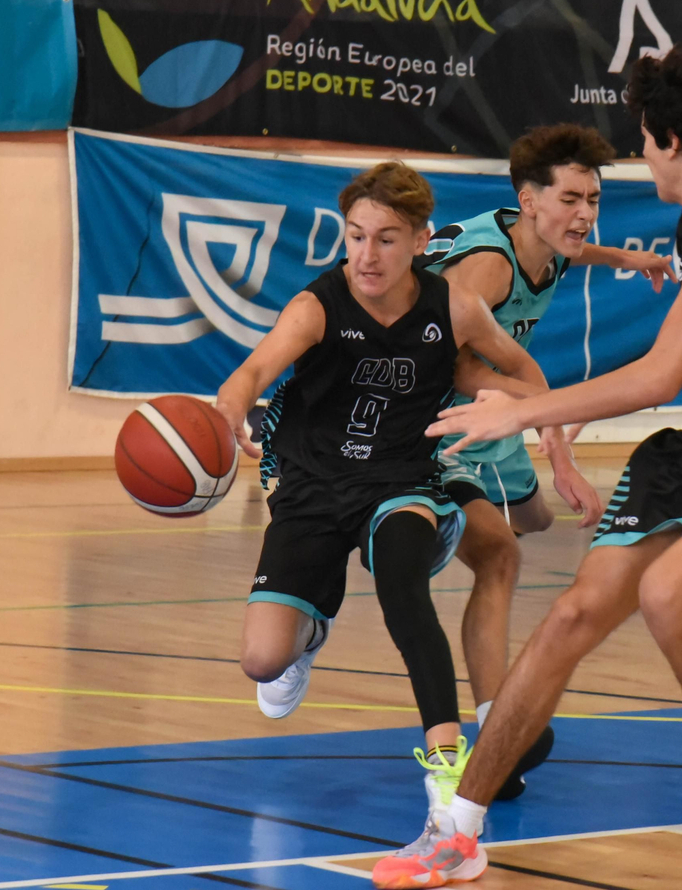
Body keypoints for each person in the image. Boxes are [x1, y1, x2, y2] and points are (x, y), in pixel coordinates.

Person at [371, 46, 682, 888]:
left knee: (666, 592)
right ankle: (459, 830)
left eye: (645, 136)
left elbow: (657, 375)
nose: (640, 152)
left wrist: (524, 411)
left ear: (671, 141)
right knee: (574, 615)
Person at [212, 162, 553, 841]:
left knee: (403, 582)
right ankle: (311, 627)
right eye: (356, 236)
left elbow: (527, 374)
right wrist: (228, 415)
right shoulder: (317, 306)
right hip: (309, 483)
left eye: (387, 239)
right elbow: (251, 372)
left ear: (422, 240)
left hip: (402, 479)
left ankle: (446, 761)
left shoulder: (452, 306)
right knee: (262, 662)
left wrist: (518, 410)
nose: (367, 255)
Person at [420, 123, 675, 796]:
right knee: (500, 553)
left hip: (491, 406)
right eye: (570, 199)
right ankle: (493, 727)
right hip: (432, 410)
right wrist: (551, 441)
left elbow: (581, 251)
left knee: (532, 520)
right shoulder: (492, 265)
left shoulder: (547, 239)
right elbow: (449, 363)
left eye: (592, 197)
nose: (584, 212)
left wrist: (635, 258)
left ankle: (435, 530)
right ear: (528, 200)